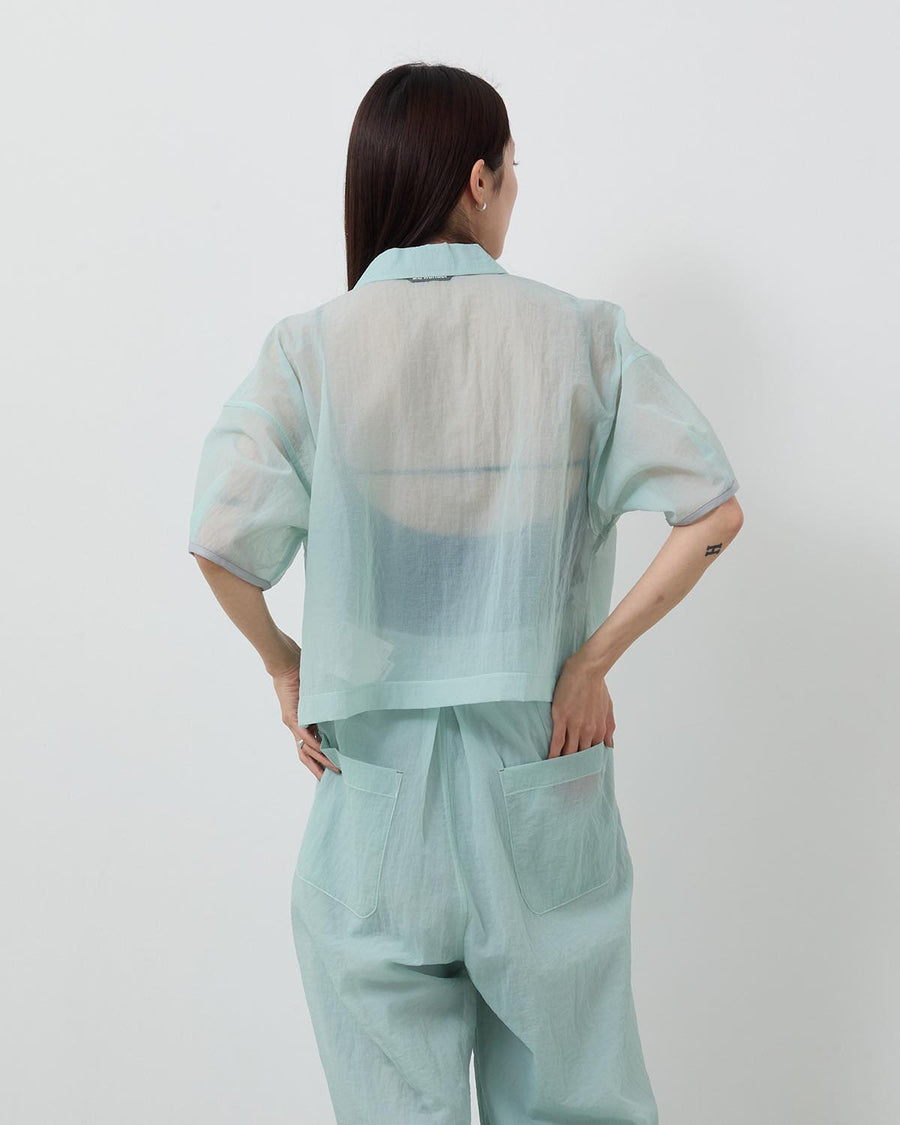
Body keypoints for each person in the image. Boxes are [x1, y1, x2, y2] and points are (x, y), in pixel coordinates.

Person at [188, 61, 743, 1125]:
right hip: (539, 773)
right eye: (513, 169)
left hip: (371, 798)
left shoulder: (310, 349)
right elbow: (712, 512)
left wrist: (284, 663)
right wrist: (592, 662)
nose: (514, 189)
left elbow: (220, 541)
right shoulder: (581, 336)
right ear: (478, 180)